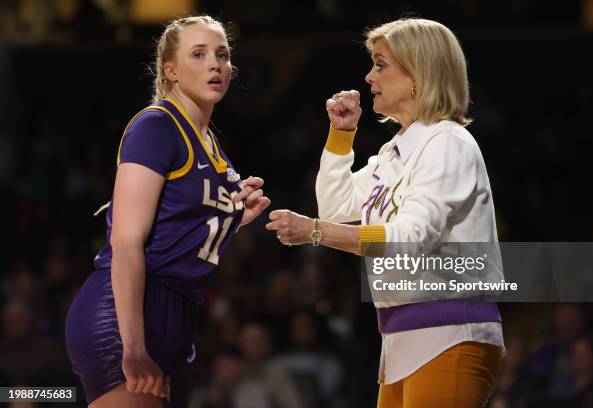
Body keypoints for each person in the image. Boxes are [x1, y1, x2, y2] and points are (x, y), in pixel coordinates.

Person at [266, 18, 504, 407]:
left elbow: (407, 241)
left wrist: (315, 232)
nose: (368, 76)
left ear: (417, 74)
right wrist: (341, 136)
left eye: (380, 64)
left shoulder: (448, 144)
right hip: (400, 343)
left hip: (449, 335)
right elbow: (337, 208)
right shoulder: (393, 153)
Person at [64, 15, 270, 408]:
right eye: (199, 54)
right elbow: (126, 241)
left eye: (223, 55)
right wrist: (133, 344)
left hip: (176, 315)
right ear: (170, 70)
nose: (216, 64)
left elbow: (179, 229)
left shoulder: (209, 142)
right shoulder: (156, 125)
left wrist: (234, 219)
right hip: (128, 311)